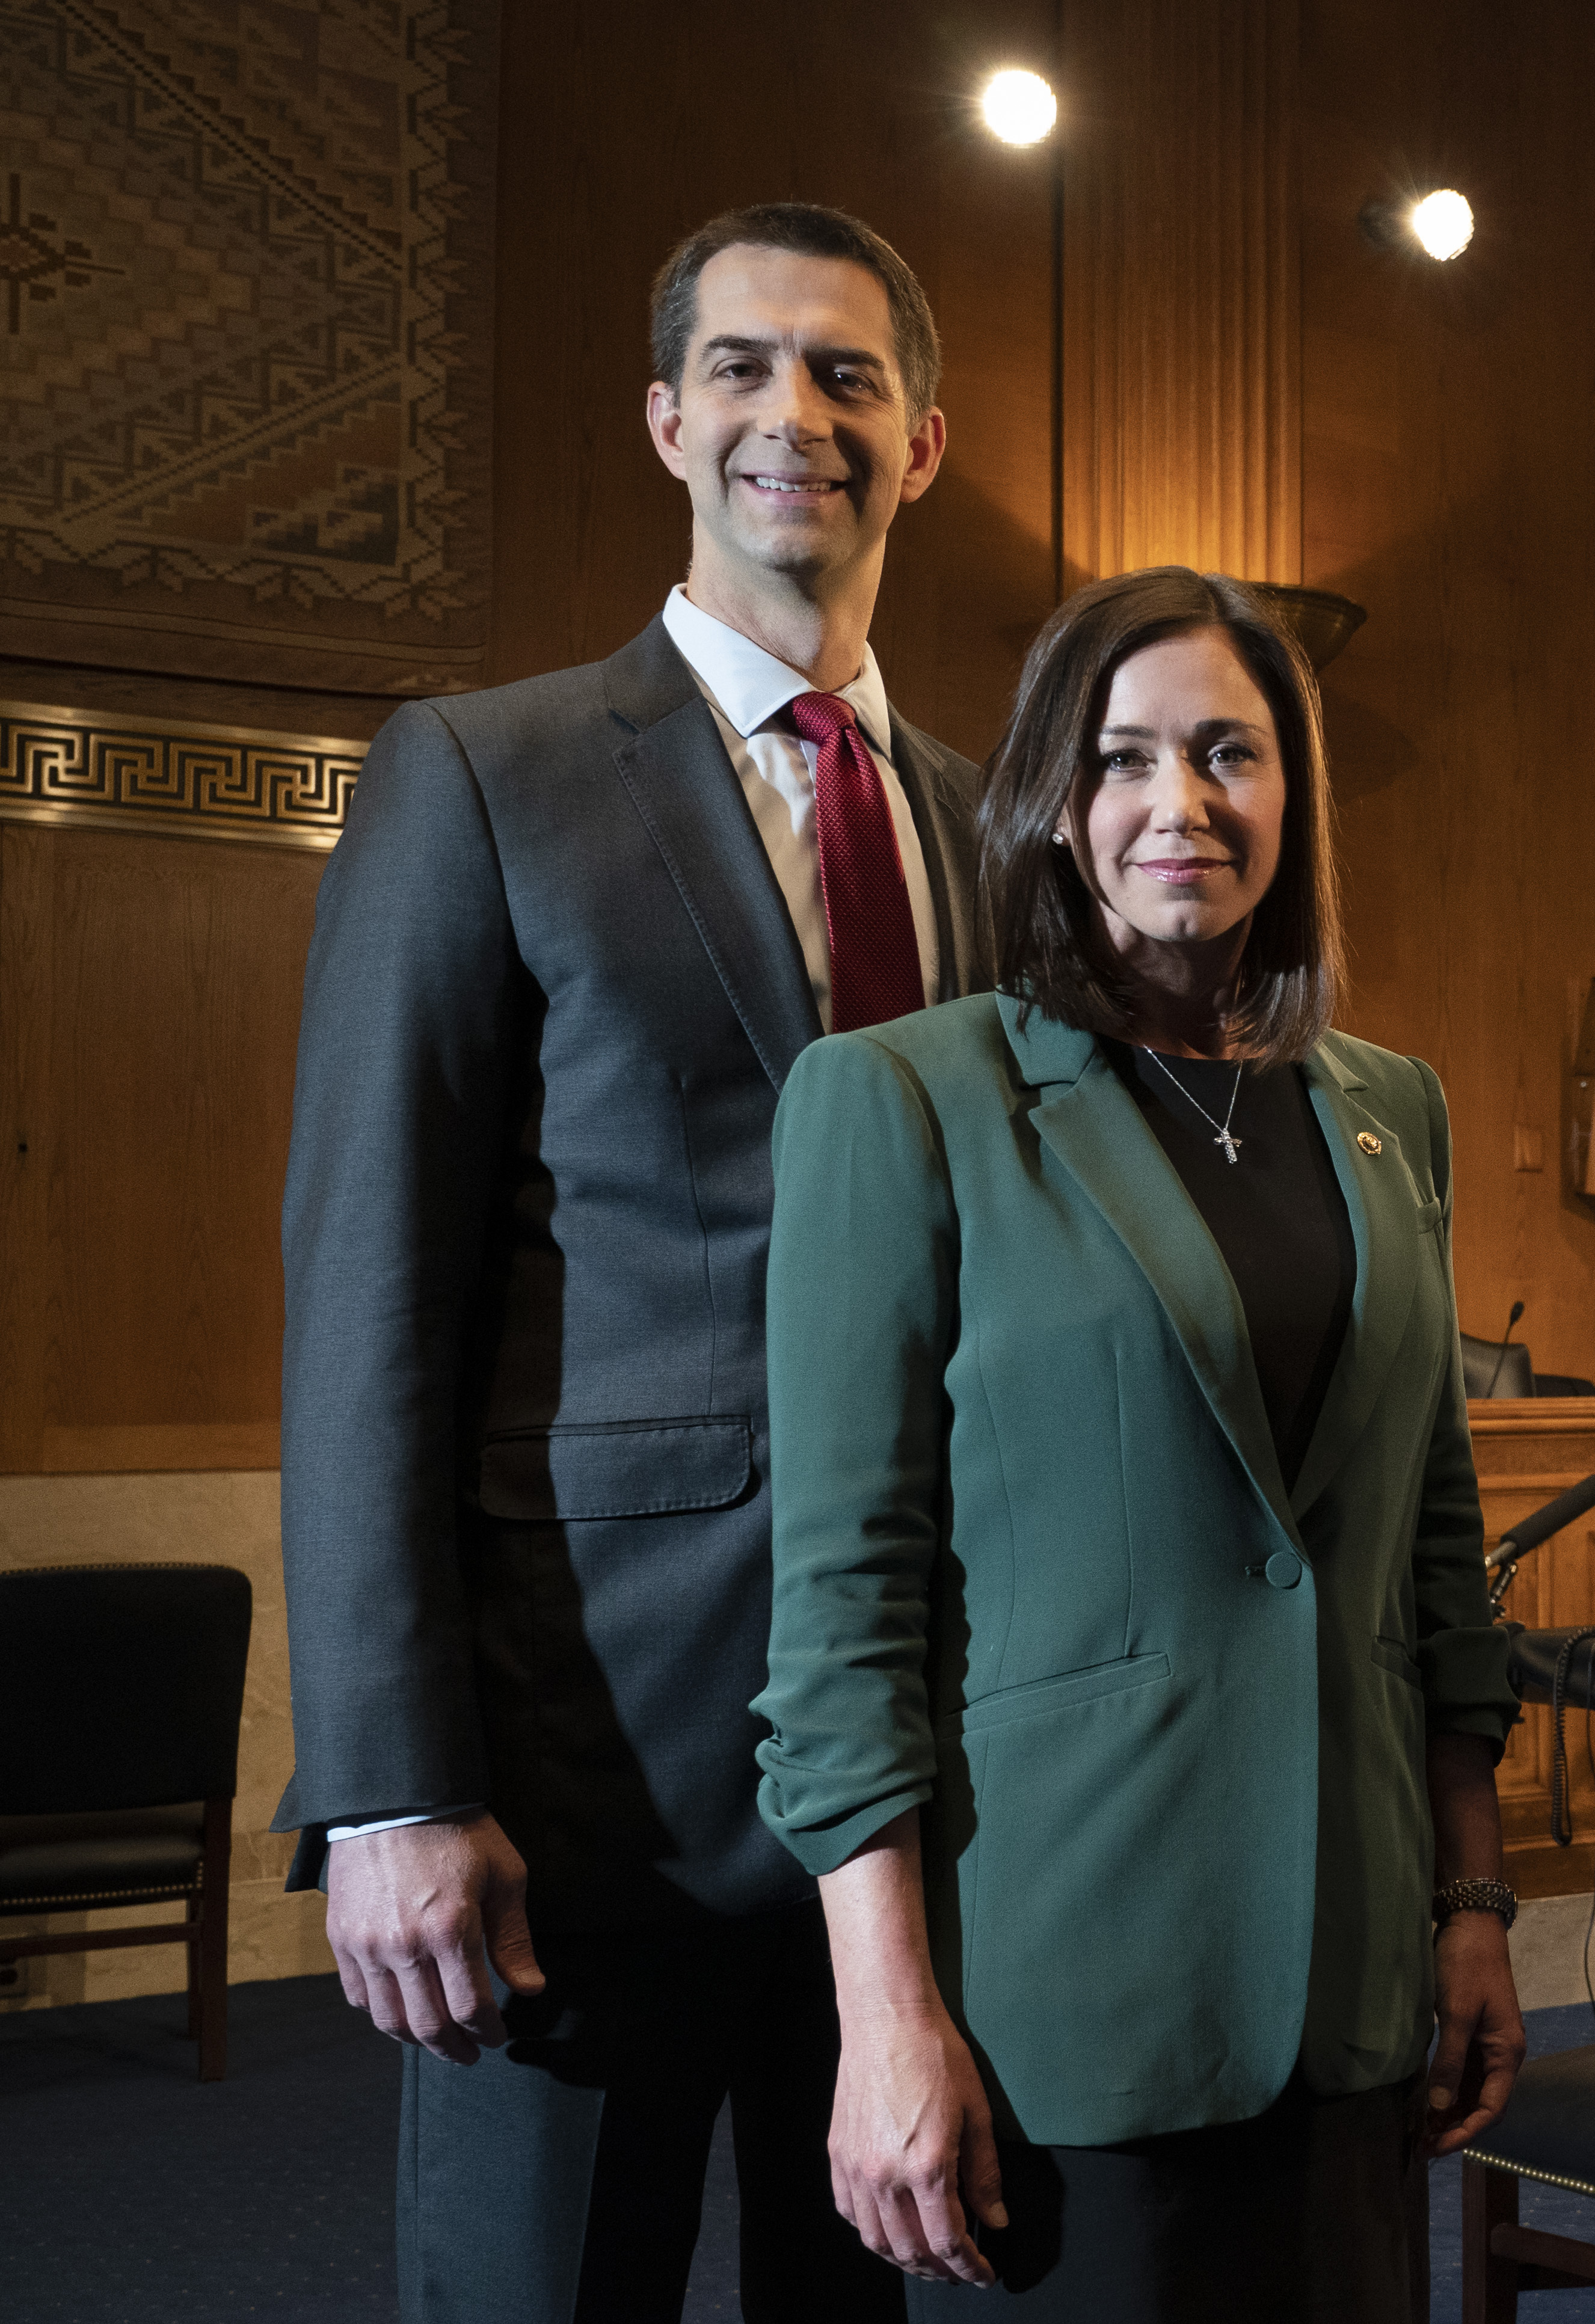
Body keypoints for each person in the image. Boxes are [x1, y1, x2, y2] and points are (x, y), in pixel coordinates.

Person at [272, 202, 983, 2319]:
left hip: (929, 1785)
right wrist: (392, 1773)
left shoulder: (991, 823)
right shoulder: (480, 773)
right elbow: (366, 1297)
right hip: (584, 1785)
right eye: (748, 370)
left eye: (849, 375)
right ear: (669, 423)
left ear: (921, 442)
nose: (799, 416)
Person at [749, 565, 1523, 2315]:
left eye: (1231, 753)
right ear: (1049, 800)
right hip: (1066, 1992)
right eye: (1124, 758)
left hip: (1353, 1978)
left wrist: (1471, 1899)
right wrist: (883, 2020)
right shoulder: (900, 1101)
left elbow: (1434, 1545)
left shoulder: (1390, 1109)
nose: (1181, 803)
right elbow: (844, 1603)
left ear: (1293, 799)